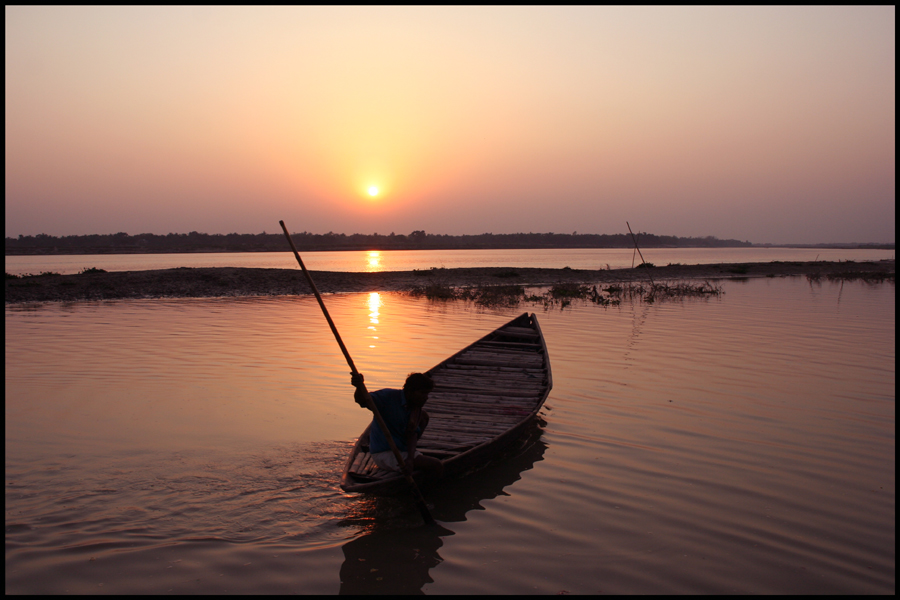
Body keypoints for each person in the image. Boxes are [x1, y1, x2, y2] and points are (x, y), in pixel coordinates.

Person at [351, 371, 444, 479]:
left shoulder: (415, 408)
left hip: (402, 450)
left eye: (427, 394)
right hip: (383, 453)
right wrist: (359, 386)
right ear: (410, 391)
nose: (426, 398)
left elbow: (412, 435)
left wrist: (410, 459)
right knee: (437, 465)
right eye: (422, 393)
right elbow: (362, 400)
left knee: (424, 417)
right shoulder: (388, 397)